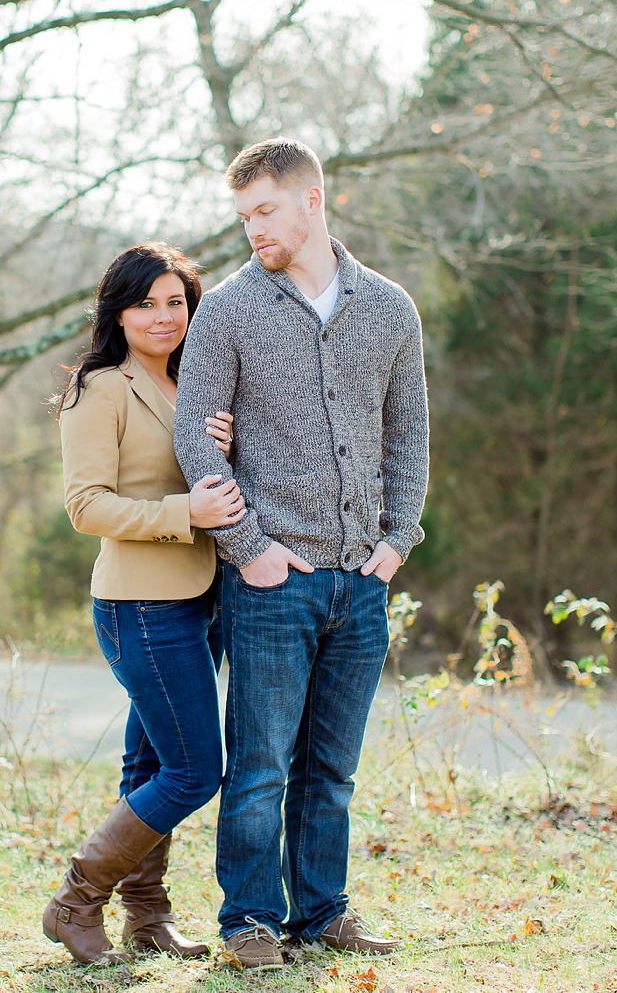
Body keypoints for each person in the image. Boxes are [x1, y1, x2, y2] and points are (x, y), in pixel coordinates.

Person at [172, 137, 430, 970]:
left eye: (265, 210)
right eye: (243, 214)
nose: (253, 227)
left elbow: (409, 436)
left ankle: (323, 912)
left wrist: (396, 543)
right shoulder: (231, 309)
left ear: (313, 200)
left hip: (360, 584)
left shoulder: (390, 308)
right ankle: (248, 920)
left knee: (333, 768)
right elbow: (196, 437)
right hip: (272, 581)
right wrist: (248, 550)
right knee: (259, 766)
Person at [45, 242, 243, 965]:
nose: (163, 316)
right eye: (145, 302)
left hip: (201, 598)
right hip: (142, 606)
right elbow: (85, 505)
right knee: (194, 770)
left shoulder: (197, 384)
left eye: (175, 302)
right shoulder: (100, 389)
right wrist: (182, 509)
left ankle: (148, 917)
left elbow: (216, 481)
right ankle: (75, 899)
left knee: (150, 764)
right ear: (118, 312)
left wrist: (226, 442)